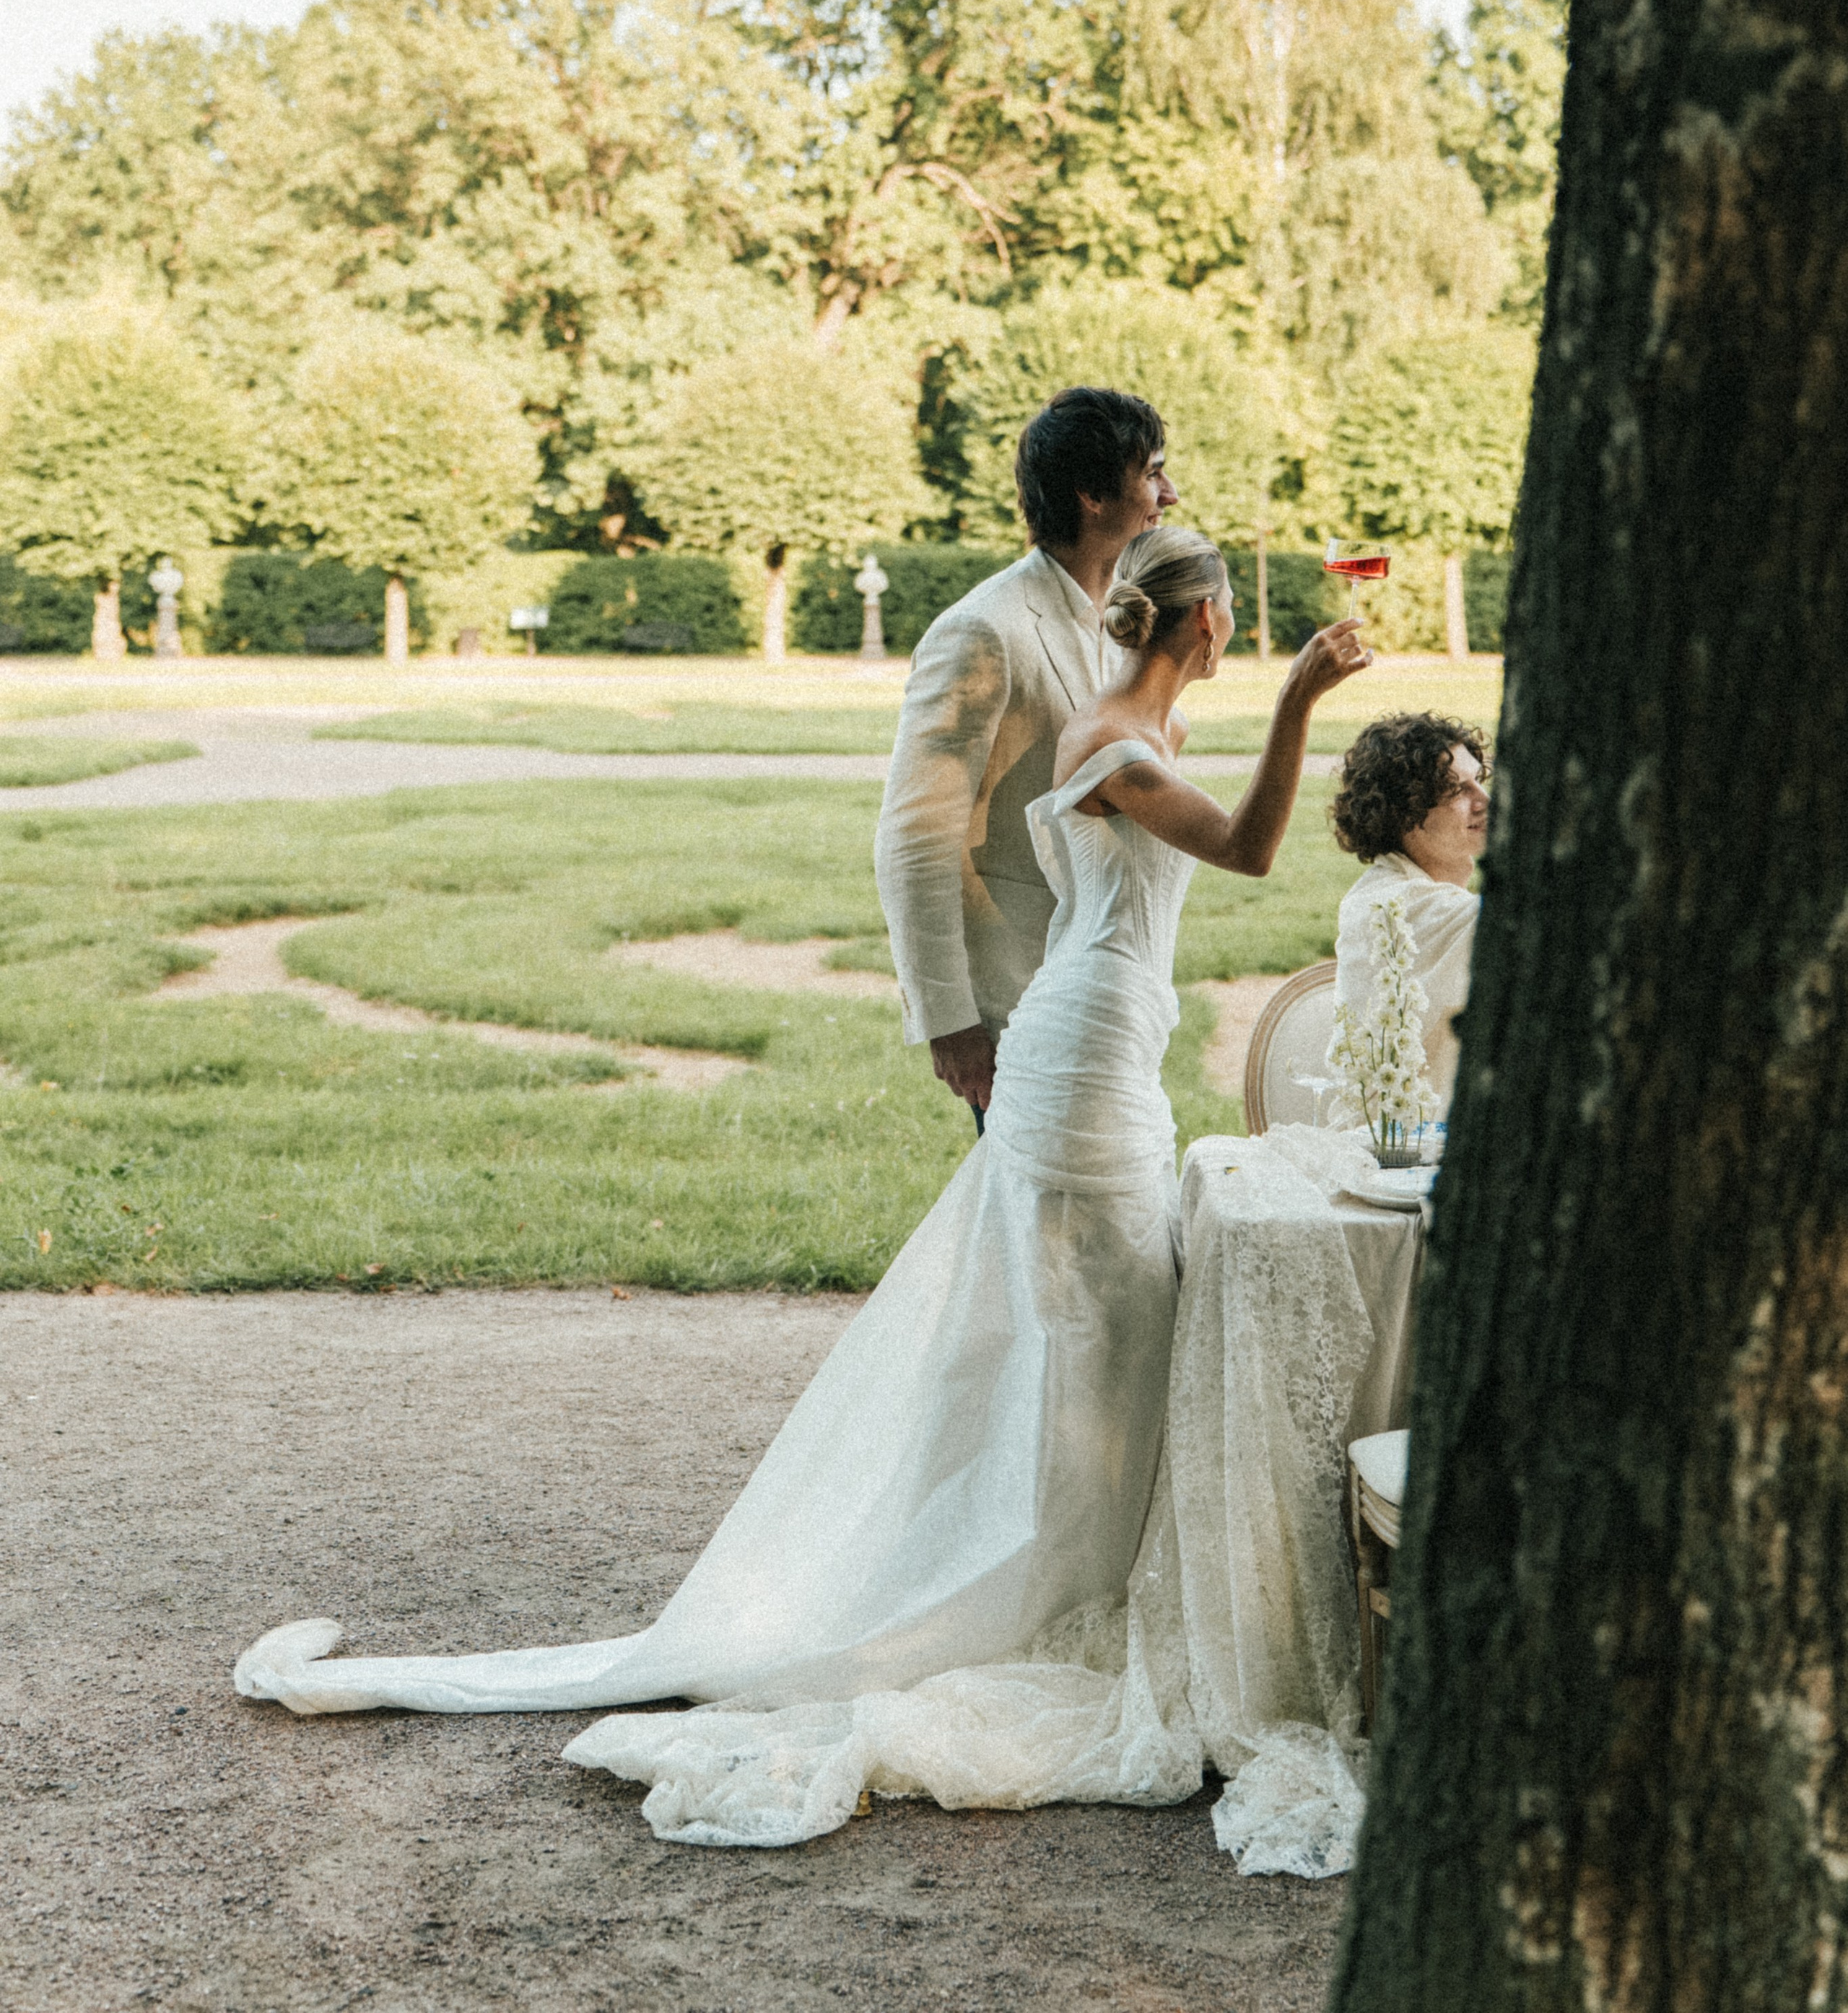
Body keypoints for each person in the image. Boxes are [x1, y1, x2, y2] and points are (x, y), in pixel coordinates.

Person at [232, 528, 1370, 1848]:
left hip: (1104, 1051)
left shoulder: (1125, 727)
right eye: (1236, 625)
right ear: (1210, 627)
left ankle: (1089, 1572)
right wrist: (1300, 706)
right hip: (1080, 1069)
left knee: (1104, 1335)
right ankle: (1034, 1597)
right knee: (1101, 1333)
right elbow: (1252, 850)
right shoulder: (1115, 746)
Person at [874, 383, 1175, 1127]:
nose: (1168, 492)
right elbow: (914, 836)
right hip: (1017, 997)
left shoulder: (1125, 619)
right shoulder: (981, 631)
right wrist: (950, 1020)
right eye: (1152, 473)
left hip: (1105, 984)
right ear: (1091, 495)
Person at [1328, 714, 1491, 1114]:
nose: (1484, 800)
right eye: (1457, 791)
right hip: (1392, 1153)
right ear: (1403, 814)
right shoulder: (1396, 904)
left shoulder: (1407, 890)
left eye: (1479, 781)